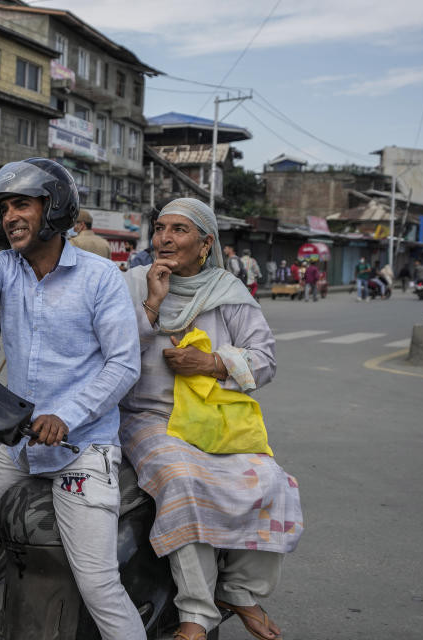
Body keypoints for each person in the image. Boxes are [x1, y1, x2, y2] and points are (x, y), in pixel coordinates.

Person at [0, 157, 146, 640]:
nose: (10, 216)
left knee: (98, 583)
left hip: (83, 452)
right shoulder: (8, 268)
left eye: (22, 204)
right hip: (21, 446)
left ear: (54, 207)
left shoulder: (101, 278)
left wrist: (68, 414)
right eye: (4, 208)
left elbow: (123, 364)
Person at [121, 197, 303, 640]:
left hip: (212, 420)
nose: (164, 237)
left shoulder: (228, 292)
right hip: (150, 417)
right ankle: (197, 613)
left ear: (205, 244)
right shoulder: (128, 283)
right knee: (182, 479)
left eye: (179, 230)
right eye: (160, 227)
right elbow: (109, 348)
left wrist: (212, 364)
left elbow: (265, 360)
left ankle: (239, 590)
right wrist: (152, 301)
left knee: (271, 478)